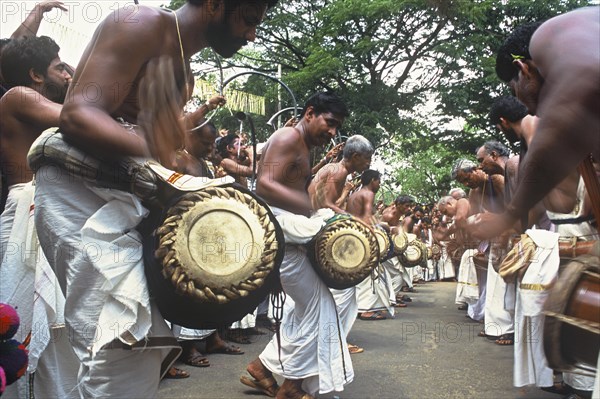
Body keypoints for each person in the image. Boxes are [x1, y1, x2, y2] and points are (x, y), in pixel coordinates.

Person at [32, 1, 278, 396]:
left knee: (140, 345)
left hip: (123, 198)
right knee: (115, 340)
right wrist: (160, 156)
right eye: (249, 20)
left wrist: (169, 162)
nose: (252, 34)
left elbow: (154, 149)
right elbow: (78, 115)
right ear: (215, 4)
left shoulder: (185, 75)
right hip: (78, 190)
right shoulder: (142, 22)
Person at [242, 91, 353, 399]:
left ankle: (262, 368)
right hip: (285, 237)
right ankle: (292, 387)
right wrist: (310, 209)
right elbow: (265, 183)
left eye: (336, 127)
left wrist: (316, 209)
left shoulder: (305, 145)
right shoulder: (288, 137)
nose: (332, 132)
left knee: (305, 311)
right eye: (329, 123)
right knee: (321, 310)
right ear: (309, 113)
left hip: (294, 237)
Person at [471, 7, 600, 238]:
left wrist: (507, 217)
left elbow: (546, 154)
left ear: (523, 69)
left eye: (514, 90)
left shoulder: (546, 38)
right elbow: (564, 197)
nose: (526, 106)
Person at [0, 35, 78, 398]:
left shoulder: (42, 102)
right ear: (34, 75)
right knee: (32, 326)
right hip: (27, 216)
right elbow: (82, 119)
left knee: (62, 329)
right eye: (60, 67)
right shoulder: (17, 97)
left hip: (49, 214)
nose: (69, 73)